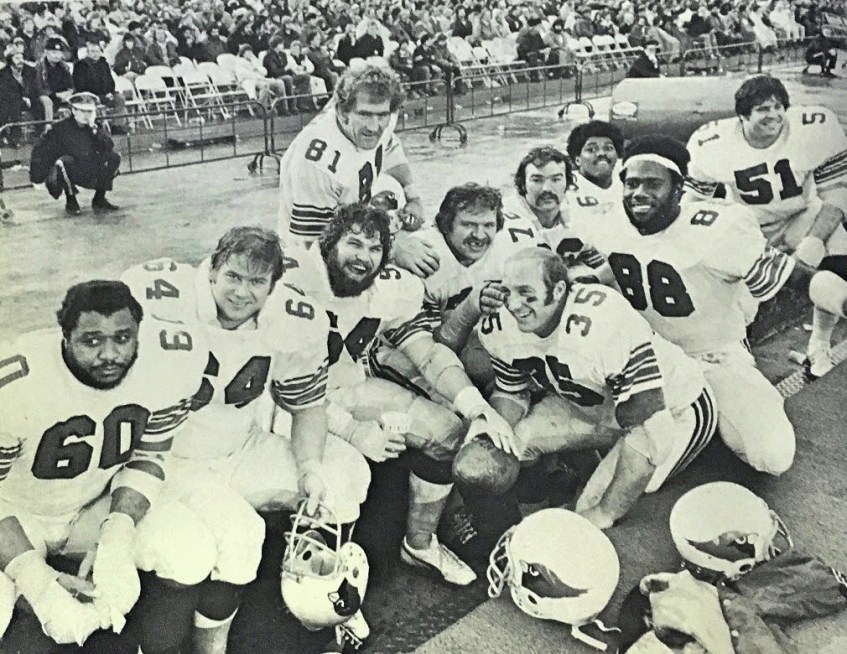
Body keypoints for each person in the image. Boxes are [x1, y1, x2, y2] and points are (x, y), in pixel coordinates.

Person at [121, 226, 371, 652]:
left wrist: (309, 468)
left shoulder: (291, 318)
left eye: (256, 282)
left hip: (240, 445)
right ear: (212, 269)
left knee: (344, 475)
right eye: (233, 276)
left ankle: (315, 601)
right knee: (238, 536)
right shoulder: (161, 297)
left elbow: (307, 405)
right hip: (173, 457)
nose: (241, 292)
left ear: (273, 286)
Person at [281, 203, 514, 589]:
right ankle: (314, 581)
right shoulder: (293, 280)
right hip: (285, 405)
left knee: (449, 432)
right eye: (354, 244)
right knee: (334, 480)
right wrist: (353, 431)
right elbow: (278, 388)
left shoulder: (388, 288)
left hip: (346, 388)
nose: (364, 258)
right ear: (328, 243)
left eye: (375, 249)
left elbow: (428, 353)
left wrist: (476, 407)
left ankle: (419, 544)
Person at [0, 280, 216, 646]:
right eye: (92, 341)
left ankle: (159, 645)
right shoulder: (18, 385)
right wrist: (35, 579)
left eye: (122, 338)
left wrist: (117, 534)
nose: (110, 354)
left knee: (189, 551)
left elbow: (149, 454)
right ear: (65, 337)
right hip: (17, 514)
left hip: (93, 504)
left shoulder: (163, 366)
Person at [577, 135, 799, 476]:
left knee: (773, 455)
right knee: (636, 474)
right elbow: (626, 261)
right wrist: (589, 280)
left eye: (653, 184)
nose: (639, 193)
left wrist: (831, 290)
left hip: (714, 356)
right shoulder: (612, 224)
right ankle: (697, 421)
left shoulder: (718, 227)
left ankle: (720, 413)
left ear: (679, 189)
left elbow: (789, 278)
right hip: (652, 360)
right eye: (632, 183)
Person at [452, 247, 717, 531]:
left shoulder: (605, 323)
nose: (514, 305)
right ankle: (536, 508)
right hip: (593, 403)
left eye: (526, 294)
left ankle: (589, 480)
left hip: (669, 408)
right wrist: (494, 429)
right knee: (515, 441)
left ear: (558, 291)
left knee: (597, 506)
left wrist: (605, 511)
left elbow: (651, 431)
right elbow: (512, 390)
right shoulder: (500, 325)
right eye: (508, 292)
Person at [685, 75, 847, 377]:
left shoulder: (813, 129)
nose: (773, 115)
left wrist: (814, 241)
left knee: (839, 256)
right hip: (747, 225)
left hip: (800, 215)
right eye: (762, 109)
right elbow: (692, 203)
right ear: (743, 115)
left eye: (778, 107)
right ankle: (734, 361)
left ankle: (819, 345)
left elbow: (836, 196)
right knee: (738, 301)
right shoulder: (713, 143)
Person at [276, 63, 435, 276]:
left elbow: (390, 147)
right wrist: (391, 248)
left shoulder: (381, 115)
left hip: (355, 228)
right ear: (342, 112)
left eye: (382, 116)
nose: (374, 126)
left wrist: (413, 197)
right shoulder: (316, 162)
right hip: (312, 261)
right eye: (364, 115)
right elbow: (315, 244)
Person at [500, 146, 609, 281]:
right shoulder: (502, 219)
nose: (546, 188)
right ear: (522, 184)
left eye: (556, 179)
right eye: (537, 180)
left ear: (568, 183)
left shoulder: (580, 212)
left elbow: (604, 265)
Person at [29, 92, 121, 215]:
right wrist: (36, 178)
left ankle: (99, 198)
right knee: (64, 162)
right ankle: (71, 200)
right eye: (82, 111)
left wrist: (94, 130)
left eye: (89, 112)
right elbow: (40, 151)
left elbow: (109, 146)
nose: (86, 115)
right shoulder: (60, 128)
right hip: (67, 171)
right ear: (74, 110)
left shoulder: (94, 127)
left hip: (89, 169)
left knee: (114, 157)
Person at [565, 120, 625, 214]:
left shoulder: (626, 183)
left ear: (617, 155)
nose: (601, 153)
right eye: (591, 149)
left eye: (608, 148)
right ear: (577, 160)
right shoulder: (565, 187)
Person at [71, 39, 128, 132]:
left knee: (120, 98)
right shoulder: (80, 65)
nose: (95, 54)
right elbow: (80, 85)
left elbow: (110, 81)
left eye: (97, 51)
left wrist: (110, 92)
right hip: (90, 95)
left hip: (106, 94)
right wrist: (100, 95)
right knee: (91, 100)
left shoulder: (104, 63)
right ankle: (93, 126)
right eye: (92, 51)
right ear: (88, 53)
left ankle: (117, 125)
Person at [0, 49, 51, 144]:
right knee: (12, 104)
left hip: (30, 98)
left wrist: (33, 96)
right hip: (12, 99)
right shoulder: (3, 74)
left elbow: (35, 87)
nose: (20, 61)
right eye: (17, 58)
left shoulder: (30, 70)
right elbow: (4, 92)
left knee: (40, 103)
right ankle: (15, 136)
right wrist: (22, 98)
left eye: (21, 58)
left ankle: (40, 134)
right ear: (10, 60)